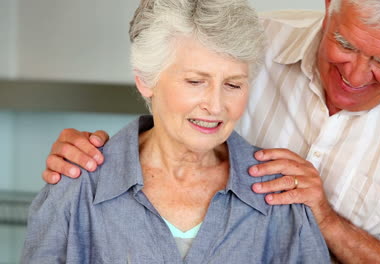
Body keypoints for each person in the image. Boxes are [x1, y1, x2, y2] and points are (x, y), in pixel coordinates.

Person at [42, 0, 380, 263]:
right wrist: (93, 153)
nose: (356, 75)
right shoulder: (247, 42)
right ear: (328, 6)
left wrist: (327, 220)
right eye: (346, 44)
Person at [21, 0, 331, 263]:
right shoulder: (78, 187)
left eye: (233, 84)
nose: (215, 105)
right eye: (196, 81)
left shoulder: (279, 195)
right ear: (146, 79)